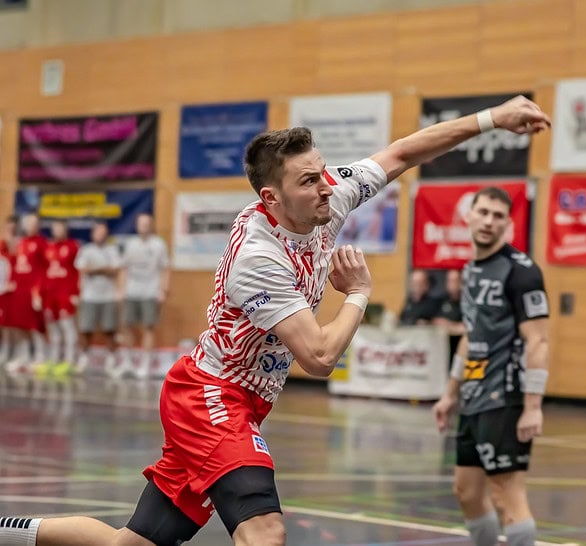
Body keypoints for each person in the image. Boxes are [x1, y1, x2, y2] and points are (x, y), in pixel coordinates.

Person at [0, 95, 550, 546]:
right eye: (309, 181)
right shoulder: (257, 259)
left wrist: (492, 119)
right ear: (272, 196)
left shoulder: (325, 198)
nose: (326, 187)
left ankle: (12, 532)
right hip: (211, 396)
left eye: (322, 173)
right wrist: (357, 295)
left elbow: (404, 151)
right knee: (265, 531)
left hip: (240, 398)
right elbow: (318, 357)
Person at [432, 186, 550, 546]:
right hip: (475, 395)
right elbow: (471, 336)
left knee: (506, 495)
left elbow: (539, 340)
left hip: (507, 396)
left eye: (498, 216)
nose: (488, 221)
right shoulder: (470, 270)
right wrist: (451, 393)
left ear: (508, 223)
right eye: (483, 212)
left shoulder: (521, 272)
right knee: (466, 491)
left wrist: (532, 406)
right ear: (469, 217)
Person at [117, 212, 171, 379]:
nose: (143, 227)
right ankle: (128, 362)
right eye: (141, 224)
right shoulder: (130, 244)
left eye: (147, 224)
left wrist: (163, 290)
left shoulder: (159, 245)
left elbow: (165, 269)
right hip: (132, 291)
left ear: (151, 225)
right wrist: (120, 289)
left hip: (150, 291)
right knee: (126, 325)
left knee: (148, 327)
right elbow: (124, 268)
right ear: (136, 225)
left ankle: (145, 364)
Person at [74, 221, 122, 376]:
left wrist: (96, 268)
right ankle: (84, 358)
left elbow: (114, 269)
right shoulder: (86, 250)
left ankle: (111, 360)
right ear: (92, 234)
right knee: (86, 329)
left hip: (108, 296)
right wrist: (102, 268)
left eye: (103, 233)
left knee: (110, 329)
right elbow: (82, 268)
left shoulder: (112, 250)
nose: (100, 235)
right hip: (89, 296)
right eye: (98, 232)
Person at [5, 213, 48, 372]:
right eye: (28, 222)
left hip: (33, 291)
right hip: (19, 290)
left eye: (34, 223)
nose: (31, 225)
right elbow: (14, 265)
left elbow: (45, 269)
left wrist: (39, 290)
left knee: (35, 325)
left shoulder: (42, 243)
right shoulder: (20, 243)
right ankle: (23, 357)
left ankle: (40, 356)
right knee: (19, 325)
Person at [38, 220, 80, 376]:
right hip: (50, 294)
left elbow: (77, 271)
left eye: (60, 228)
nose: (57, 231)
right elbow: (43, 272)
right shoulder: (48, 248)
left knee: (67, 326)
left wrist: (75, 293)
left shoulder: (72, 246)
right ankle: (54, 358)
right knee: (52, 328)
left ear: (66, 229)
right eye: (55, 228)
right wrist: (40, 293)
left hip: (65, 293)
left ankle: (70, 360)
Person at [433, 268, 466, 364]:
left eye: (454, 281)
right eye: (449, 281)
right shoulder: (442, 301)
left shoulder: (467, 303)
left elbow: (469, 328)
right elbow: (434, 321)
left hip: (460, 353)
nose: (452, 284)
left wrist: (449, 326)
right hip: (442, 354)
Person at [0, 215, 19, 365]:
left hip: (14, 290)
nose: (10, 230)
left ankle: (13, 353)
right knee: (3, 324)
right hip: (2, 289)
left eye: (13, 227)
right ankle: (5, 352)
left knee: (11, 324)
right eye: (8, 227)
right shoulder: (2, 244)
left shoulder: (20, 244)